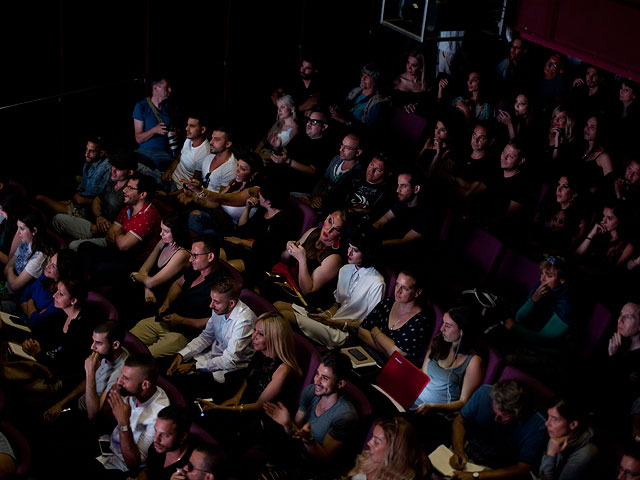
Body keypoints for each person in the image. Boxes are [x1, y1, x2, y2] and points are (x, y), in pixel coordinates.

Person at [129, 236, 230, 359]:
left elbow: (215, 321)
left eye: (195, 255)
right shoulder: (196, 269)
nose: (190, 259)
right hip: (167, 320)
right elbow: (178, 283)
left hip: (185, 334)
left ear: (210, 257)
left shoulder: (223, 284)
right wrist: (167, 302)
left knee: (142, 358)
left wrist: (182, 320)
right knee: (128, 342)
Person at [282, 231, 385, 348]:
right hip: (332, 320)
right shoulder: (346, 269)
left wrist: (335, 322)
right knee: (278, 305)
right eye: (349, 247)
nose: (349, 253)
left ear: (367, 253)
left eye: (355, 250)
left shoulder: (377, 283)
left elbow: (367, 325)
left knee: (284, 315)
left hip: (346, 332)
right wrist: (328, 314)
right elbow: (338, 303)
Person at [264, 350, 358, 474]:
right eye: (317, 374)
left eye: (324, 378)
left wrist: (308, 439)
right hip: (295, 452)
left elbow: (324, 459)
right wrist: (287, 423)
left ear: (340, 384)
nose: (316, 381)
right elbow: (295, 433)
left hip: (312, 467)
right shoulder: (310, 391)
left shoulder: (345, 416)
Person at [166, 277, 255, 393]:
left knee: (181, 386)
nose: (210, 306)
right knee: (168, 369)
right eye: (211, 300)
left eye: (216, 302)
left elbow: (230, 360)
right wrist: (182, 355)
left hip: (230, 370)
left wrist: (195, 366)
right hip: (211, 358)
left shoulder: (244, 322)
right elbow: (206, 337)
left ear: (232, 303)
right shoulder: (220, 308)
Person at [448, 379, 547, 479]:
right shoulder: (484, 393)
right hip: (467, 448)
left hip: (496, 469)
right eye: (494, 411)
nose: (496, 419)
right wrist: (458, 451)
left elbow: (524, 467)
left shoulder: (538, 424)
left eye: (504, 416)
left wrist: (476, 476)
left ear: (519, 414)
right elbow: (459, 422)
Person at [78, 173, 162, 286]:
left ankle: (86, 286)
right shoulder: (128, 207)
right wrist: (122, 235)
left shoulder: (148, 216)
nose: (124, 190)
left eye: (130, 188)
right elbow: (109, 236)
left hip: (134, 263)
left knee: (99, 268)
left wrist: (119, 232)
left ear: (142, 194)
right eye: (126, 186)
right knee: (84, 247)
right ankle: (84, 280)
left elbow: (123, 245)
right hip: (118, 252)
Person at [15, 278, 93, 394]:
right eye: (56, 291)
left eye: (60, 294)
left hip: (57, 378)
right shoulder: (61, 313)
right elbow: (43, 335)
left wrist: (38, 353)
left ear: (73, 301)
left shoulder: (81, 329)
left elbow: (63, 368)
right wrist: (33, 343)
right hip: (43, 360)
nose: (54, 296)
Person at [43, 320, 129, 422]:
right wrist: (61, 404)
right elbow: (86, 384)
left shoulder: (120, 374)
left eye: (98, 343)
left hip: (85, 417)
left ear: (115, 345)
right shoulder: (109, 353)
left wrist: (90, 373)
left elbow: (93, 415)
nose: (92, 347)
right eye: (93, 341)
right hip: (78, 402)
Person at [97, 354, 170, 474]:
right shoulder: (133, 392)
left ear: (145, 385)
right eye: (121, 375)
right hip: (108, 447)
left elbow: (134, 464)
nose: (119, 381)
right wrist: (111, 398)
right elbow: (104, 418)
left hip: (121, 467)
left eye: (126, 378)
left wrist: (123, 423)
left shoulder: (159, 415)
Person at [52, 151, 136, 249]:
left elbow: (125, 227)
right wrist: (99, 217)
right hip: (96, 224)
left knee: (73, 246)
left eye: (118, 169)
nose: (113, 170)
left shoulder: (130, 193)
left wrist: (102, 228)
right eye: (113, 166)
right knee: (57, 219)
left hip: (109, 236)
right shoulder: (113, 180)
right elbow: (97, 200)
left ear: (130, 172)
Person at [413, 308, 484, 415]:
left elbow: (463, 402)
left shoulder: (473, 361)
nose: (441, 329)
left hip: (435, 413)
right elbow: (424, 374)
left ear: (461, 331)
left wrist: (433, 407)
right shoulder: (438, 342)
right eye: (443, 323)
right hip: (414, 402)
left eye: (448, 325)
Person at [274, 210, 347, 310]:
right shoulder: (313, 232)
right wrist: (289, 250)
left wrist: (302, 260)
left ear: (340, 234)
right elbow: (284, 259)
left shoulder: (334, 258)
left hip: (307, 301)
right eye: (330, 221)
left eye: (336, 229)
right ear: (326, 218)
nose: (328, 230)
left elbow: (307, 290)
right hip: (289, 282)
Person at [358, 270, 434, 365]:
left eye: (405, 288)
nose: (398, 291)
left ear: (417, 292)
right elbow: (361, 331)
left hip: (390, 369)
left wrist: (375, 331)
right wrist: (386, 349)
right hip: (365, 355)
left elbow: (397, 355)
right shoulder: (387, 303)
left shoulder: (421, 321)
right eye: (397, 284)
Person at [182, 149, 262, 238]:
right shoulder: (235, 182)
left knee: (199, 225)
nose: (237, 170)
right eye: (237, 166)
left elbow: (222, 198)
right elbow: (216, 203)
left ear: (254, 173)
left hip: (233, 231)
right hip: (220, 220)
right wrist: (193, 197)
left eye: (243, 169)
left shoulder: (254, 191)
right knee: (191, 214)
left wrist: (199, 190)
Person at [222, 180, 292, 276]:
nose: (258, 194)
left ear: (268, 200)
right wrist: (247, 208)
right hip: (246, 247)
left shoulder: (283, 220)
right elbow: (242, 229)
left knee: (224, 269)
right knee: (215, 257)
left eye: (261, 193)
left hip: (261, 258)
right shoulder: (263, 210)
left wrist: (241, 241)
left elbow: (266, 248)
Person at [129, 213, 191, 314]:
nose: (161, 234)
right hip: (148, 291)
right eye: (161, 229)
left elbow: (151, 282)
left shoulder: (182, 254)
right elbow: (143, 270)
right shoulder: (163, 242)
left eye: (165, 231)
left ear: (177, 232)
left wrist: (134, 275)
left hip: (159, 298)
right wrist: (146, 289)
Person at [35, 136, 110, 216]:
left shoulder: (106, 168)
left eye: (91, 151)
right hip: (76, 203)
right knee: (40, 203)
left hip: (85, 210)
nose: (86, 154)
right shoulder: (89, 162)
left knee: (40, 198)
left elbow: (103, 200)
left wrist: (82, 200)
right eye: (86, 149)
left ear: (102, 153)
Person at [268, 109, 335, 196]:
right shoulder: (301, 136)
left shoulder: (325, 147)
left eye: (314, 122)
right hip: (279, 177)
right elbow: (284, 153)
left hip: (296, 186)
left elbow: (313, 171)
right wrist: (277, 148)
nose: (309, 124)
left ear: (324, 126)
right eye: (308, 120)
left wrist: (289, 161)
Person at [14, 248, 80, 334]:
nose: (48, 266)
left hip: (31, 332)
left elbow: (36, 323)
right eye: (50, 261)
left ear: (64, 271)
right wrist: (33, 312)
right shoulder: (46, 277)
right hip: (18, 315)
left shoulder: (61, 295)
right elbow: (23, 295)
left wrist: (29, 302)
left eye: (53, 266)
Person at [346, 416, 428, 480]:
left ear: (393, 451)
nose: (369, 443)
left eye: (376, 442)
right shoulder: (368, 457)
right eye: (372, 438)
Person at [539, 396, 599, 480]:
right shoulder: (556, 436)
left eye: (555, 419)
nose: (547, 423)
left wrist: (551, 454)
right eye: (548, 416)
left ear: (573, 424)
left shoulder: (586, 454)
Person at [303, 133, 363, 212]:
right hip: (317, 197)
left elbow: (339, 196)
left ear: (358, 152)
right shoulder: (336, 159)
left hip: (330, 207)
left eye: (347, 148)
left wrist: (318, 200)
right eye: (341, 145)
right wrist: (315, 196)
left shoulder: (358, 172)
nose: (341, 149)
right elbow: (323, 180)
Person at [530, 174, 587, 255]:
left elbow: (570, 250)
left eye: (565, 186)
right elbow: (531, 231)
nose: (558, 189)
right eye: (558, 185)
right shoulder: (547, 207)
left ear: (574, 194)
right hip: (532, 252)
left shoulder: (579, 220)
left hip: (552, 259)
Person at [133, 75, 179, 170]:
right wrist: (154, 130)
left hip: (165, 153)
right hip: (145, 153)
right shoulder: (141, 106)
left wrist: (176, 133)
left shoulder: (170, 106)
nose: (170, 90)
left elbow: (177, 128)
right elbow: (138, 139)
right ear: (155, 88)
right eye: (167, 87)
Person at [136, 405, 193, 480]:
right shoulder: (156, 448)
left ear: (183, 436)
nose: (155, 439)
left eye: (165, 435)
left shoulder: (191, 465)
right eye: (156, 431)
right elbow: (148, 471)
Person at [3, 209, 52, 293]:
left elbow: (15, 286)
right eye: (18, 227)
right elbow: (7, 267)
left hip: (18, 298)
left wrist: (9, 269)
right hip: (6, 286)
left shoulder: (39, 257)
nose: (18, 232)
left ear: (34, 231)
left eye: (21, 228)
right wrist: (9, 269)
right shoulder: (26, 242)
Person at [576, 202, 635, 270]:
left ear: (621, 220)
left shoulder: (627, 245)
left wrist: (582, 268)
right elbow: (576, 255)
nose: (604, 221)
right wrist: (591, 235)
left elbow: (610, 273)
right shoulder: (599, 232)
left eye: (609, 218)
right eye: (604, 216)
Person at [330, 63, 390, 129]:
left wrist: (343, 121)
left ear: (376, 80)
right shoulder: (356, 90)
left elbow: (369, 131)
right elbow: (344, 107)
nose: (362, 78)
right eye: (363, 74)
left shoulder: (378, 103)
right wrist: (335, 110)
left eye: (367, 76)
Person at [162, 114, 210, 192]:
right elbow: (178, 159)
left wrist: (168, 195)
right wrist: (169, 171)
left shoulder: (203, 153)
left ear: (202, 129)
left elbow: (193, 186)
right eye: (187, 125)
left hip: (177, 188)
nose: (186, 128)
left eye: (192, 126)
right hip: (171, 178)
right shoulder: (189, 138)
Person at [577, 114, 614, 196]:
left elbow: (610, 186)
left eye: (592, 127)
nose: (587, 128)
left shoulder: (604, 156)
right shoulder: (582, 150)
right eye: (587, 125)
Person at [258, 94, 299, 160]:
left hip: (274, 160)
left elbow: (285, 155)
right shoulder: (279, 123)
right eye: (278, 107)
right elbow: (264, 140)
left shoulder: (295, 130)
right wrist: (257, 152)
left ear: (292, 109)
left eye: (282, 107)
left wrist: (260, 157)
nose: (279, 110)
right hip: (263, 154)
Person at [198, 126, 237, 194]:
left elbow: (220, 199)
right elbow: (202, 182)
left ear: (227, 144)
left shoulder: (230, 168)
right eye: (212, 138)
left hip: (210, 202)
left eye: (216, 140)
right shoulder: (208, 158)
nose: (210, 142)